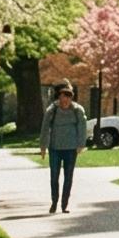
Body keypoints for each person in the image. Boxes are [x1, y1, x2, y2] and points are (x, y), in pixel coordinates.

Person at [40, 82, 88, 213]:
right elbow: (45, 128)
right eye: (63, 96)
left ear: (71, 98)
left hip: (71, 149)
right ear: (59, 97)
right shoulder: (52, 110)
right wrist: (43, 146)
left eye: (68, 96)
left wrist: (81, 145)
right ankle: (54, 202)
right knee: (54, 176)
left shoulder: (77, 110)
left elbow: (82, 128)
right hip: (55, 148)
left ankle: (64, 204)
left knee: (68, 177)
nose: (66, 100)